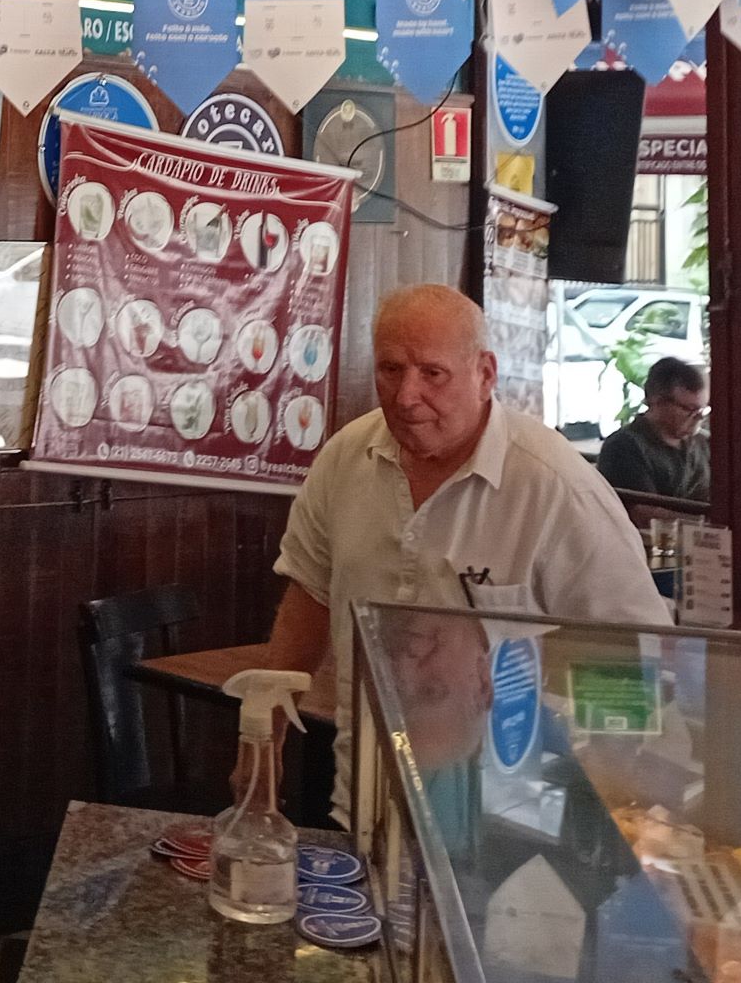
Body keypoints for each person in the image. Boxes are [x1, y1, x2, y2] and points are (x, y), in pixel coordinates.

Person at [262, 284, 671, 827]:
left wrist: (600, 809)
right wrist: (263, 733)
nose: (406, 396)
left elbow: (633, 658)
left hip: (509, 819)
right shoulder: (344, 460)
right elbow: (310, 596)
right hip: (361, 799)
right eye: (390, 369)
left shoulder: (555, 488)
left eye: (432, 373)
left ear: (485, 373)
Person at [596, 357, 710, 529]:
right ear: (657, 402)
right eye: (689, 410)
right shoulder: (624, 446)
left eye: (702, 410)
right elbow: (645, 516)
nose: (699, 418)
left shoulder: (703, 443)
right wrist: (709, 522)